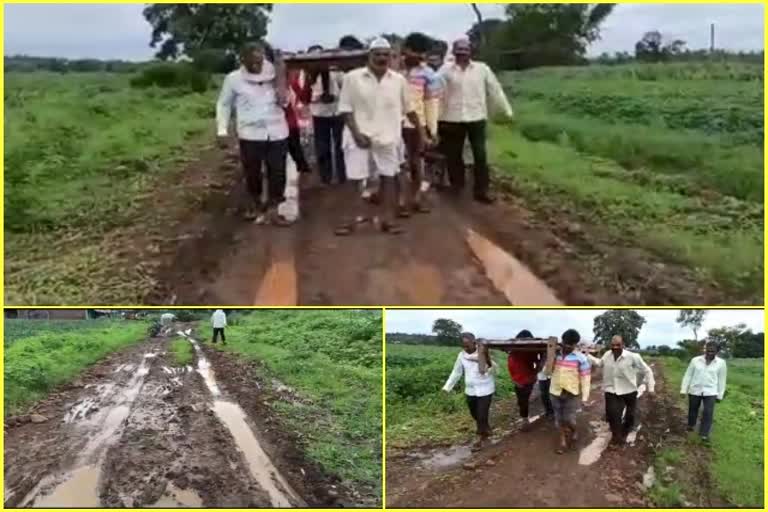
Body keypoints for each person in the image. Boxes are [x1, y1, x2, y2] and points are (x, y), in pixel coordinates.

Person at [335, 37, 420, 236]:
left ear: (391, 57)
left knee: (389, 178)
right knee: (354, 180)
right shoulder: (352, 78)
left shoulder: (398, 81)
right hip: (358, 137)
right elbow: (345, 110)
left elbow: (410, 110)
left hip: (388, 138)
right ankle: (348, 221)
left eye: (386, 54)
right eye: (378, 54)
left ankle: (388, 221)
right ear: (369, 56)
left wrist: (422, 133)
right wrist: (356, 134)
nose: (382, 58)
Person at [217, 42, 289, 221]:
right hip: (250, 133)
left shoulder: (275, 73)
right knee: (252, 172)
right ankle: (256, 203)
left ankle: (274, 207)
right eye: (253, 62)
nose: (257, 65)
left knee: (278, 171)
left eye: (260, 60)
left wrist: (280, 80)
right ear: (243, 60)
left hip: (277, 130)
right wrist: (222, 130)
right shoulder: (233, 79)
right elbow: (224, 104)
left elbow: (286, 101)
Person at [437, 38, 513, 203]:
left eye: (465, 50)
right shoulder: (445, 70)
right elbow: (436, 92)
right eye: (459, 50)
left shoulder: (482, 69)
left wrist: (506, 111)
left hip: (476, 117)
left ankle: (482, 191)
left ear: (471, 52)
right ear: (454, 52)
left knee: (480, 155)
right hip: (451, 118)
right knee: (454, 155)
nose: (462, 53)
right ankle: (457, 185)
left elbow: (495, 89)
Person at [397, 32, 442, 217]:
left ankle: (415, 199)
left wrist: (432, 130)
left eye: (423, 53)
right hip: (392, 123)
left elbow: (431, 103)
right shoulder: (392, 70)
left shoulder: (428, 74)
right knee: (396, 164)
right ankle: (399, 201)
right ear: (406, 50)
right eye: (417, 52)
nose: (421, 57)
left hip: (417, 125)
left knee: (416, 162)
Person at [587, 335, 655, 446]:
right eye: (613, 345)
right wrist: (588, 355)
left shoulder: (633, 357)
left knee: (630, 416)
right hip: (611, 390)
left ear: (623, 345)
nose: (615, 347)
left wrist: (651, 388)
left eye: (618, 345)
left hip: (629, 390)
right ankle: (616, 438)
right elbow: (600, 363)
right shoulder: (607, 355)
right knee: (613, 414)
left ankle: (624, 431)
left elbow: (647, 370)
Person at [443, 332, 497, 451]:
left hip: (485, 389)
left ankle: (480, 438)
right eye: (463, 346)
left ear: (474, 342)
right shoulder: (461, 355)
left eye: (468, 345)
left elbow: (494, 369)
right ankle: (486, 428)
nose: (466, 348)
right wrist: (447, 387)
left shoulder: (484, 352)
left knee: (482, 413)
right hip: (470, 390)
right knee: (474, 413)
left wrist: (483, 365)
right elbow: (456, 372)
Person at [302, 43, 347, 185]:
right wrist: (318, 98)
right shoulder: (307, 75)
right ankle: (325, 178)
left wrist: (335, 97)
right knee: (322, 148)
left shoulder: (335, 71)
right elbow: (304, 96)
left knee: (341, 147)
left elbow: (346, 89)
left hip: (337, 112)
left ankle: (342, 177)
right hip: (319, 114)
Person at [546, 329, 591, 454]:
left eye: (571, 344)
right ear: (562, 341)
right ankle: (563, 442)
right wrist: (551, 361)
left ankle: (574, 430)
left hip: (571, 394)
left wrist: (585, 398)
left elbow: (586, 379)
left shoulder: (581, 358)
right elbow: (546, 372)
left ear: (575, 345)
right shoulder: (554, 355)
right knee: (559, 419)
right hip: (555, 392)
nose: (567, 346)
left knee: (569, 419)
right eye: (565, 343)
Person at [681, 341, 727, 442]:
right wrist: (683, 389)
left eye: (712, 351)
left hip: (711, 391)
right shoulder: (695, 360)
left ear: (717, 351)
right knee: (693, 409)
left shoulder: (721, 363)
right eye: (708, 350)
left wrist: (720, 395)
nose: (710, 353)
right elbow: (688, 375)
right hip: (695, 389)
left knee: (708, 412)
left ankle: (704, 434)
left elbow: (722, 379)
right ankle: (691, 425)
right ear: (705, 350)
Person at [505, 329, 543, 431]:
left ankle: (525, 420)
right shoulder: (513, 351)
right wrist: (514, 380)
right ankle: (525, 417)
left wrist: (534, 374)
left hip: (528, 380)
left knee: (524, 401)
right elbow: (510, 367)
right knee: (521, 401)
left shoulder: (530, 352)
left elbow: (538, 363)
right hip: (518, 380)